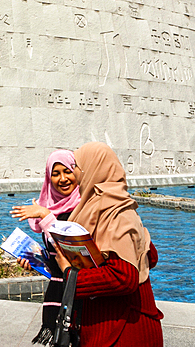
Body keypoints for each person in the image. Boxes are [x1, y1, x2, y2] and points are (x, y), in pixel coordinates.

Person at [50, 142, 163, 346]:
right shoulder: (102, 207)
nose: (74, 174)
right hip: (110, 325)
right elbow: (149, 256)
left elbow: (125, 276)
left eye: (76, 167)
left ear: (94, 170)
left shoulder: (116, 213)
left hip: (124, 331)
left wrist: (70, 274)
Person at [10, 150, 82, 345]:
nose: (62, 179)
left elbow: (73, 249)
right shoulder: (54, 208)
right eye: (55, 173)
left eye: (67, 171)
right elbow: (58, 256)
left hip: (80, 295)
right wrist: (38, 262)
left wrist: (44, 214)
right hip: (59, 291)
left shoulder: (84, 207)